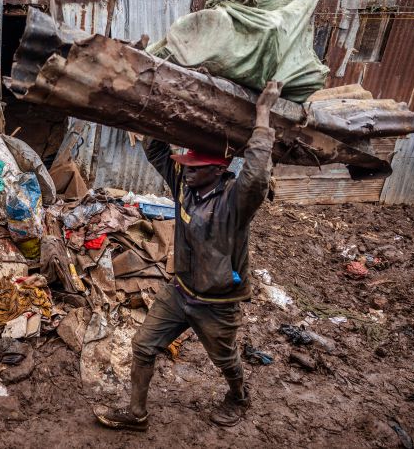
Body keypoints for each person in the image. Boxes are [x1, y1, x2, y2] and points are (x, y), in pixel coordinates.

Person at [94, 80, 283, 430]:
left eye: (195, 166)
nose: (186, 169)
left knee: (225, 359)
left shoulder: (235, 202)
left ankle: (238, 396)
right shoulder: (185, 183)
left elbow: (256, 175)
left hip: (218, 302)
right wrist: (152, 98)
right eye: (186, 165)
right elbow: (156, 150)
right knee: (143, 345)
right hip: (179, 291)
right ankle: (137, 415)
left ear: (218, 170)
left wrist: (263, 113)